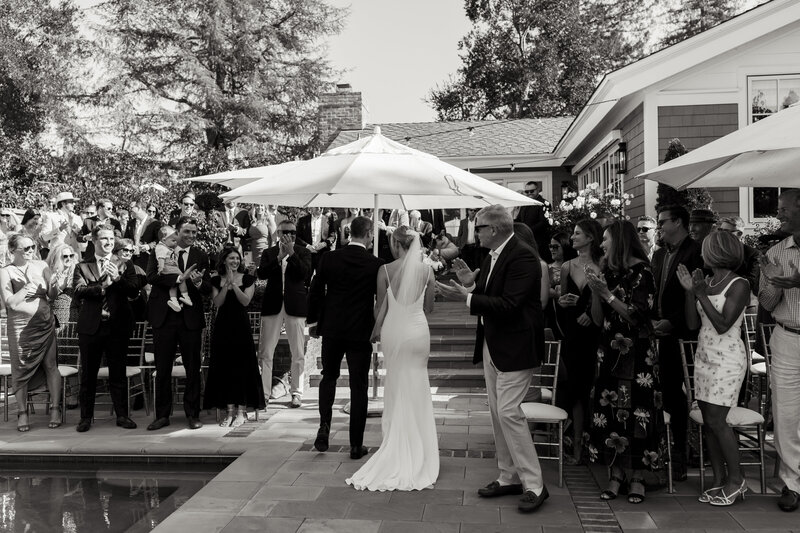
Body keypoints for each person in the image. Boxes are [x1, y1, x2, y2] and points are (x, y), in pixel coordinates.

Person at [437, 204, 548, 514]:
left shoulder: (523, 256)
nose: (477, 233)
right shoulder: (491, 256)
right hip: (492, 343)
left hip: (515, 346)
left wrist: (467, 298)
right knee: (499, 414)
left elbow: (510, 304)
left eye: (480, 227)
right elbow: (488, 293)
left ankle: (535, 484)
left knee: (510, 412)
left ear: (496, 229)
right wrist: (469, 284)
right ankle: (508, 475)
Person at [346, 225, 438, 490]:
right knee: (418, 386)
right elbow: (429, 307)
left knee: (396, 386)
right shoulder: (427, 271)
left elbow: (379, 309)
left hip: (394, 332)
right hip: (418, 332)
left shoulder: (384, 270)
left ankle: (396, 444)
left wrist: (384, 323)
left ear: (397, 245)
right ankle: (421, 447)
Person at [586, 219, 664, 504]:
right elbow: (597, 319)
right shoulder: (608, 272)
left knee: (637, 412)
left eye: (605, 239)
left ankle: (638, 477)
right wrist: (597, 291)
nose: (602, 244)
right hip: (608, 352)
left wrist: (606, 293)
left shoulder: (643, 272)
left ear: (619, 240)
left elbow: (636, 315)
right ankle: (616, 474)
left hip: (638, 355)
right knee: (610, 412)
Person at [676, 230, 750, 506]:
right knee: (709, 423)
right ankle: (719, 480)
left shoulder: (739, 284)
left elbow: (723, 324)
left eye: (706, 249)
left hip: (727, 358)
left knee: (718, 421)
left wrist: (700, 294)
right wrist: (690, 293)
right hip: (704, 356)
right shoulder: (706, 281)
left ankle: (737, 479)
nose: (702, 254)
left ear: (718, 252)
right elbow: (693, 324)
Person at [308, 216, 384, 460]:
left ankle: (324, 427)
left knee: (328, 377)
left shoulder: (329, 258)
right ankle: (355, 445)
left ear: (350, 233)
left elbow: (316, 290)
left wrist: (314, 322)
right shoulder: (375, 264)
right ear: (368, 234)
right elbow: (379, 300)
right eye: (372, 234)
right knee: (358, 386)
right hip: (360, 331)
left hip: (332, 328)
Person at [651, 204, 704, 481]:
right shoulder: (659, 254)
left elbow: (694, 294)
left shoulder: (695, 252)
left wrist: (672, 321)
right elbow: (655, 290)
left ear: (679, 222)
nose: (659, 226)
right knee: (660, 391)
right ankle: (663, 448)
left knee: (675, 392)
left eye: (663, 221)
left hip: (683, 332)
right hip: (657, 329)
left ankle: (682, 453)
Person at [146, 216, 211, 431]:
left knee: (192, 368)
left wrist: (199, 282)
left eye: (194, 232)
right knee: (162, 368)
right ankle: (162, 415)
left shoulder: (201, 255)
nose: (191, 236)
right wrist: (177, 279)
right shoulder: (160, 249)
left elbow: (207, 287)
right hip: (164, 316)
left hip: (190, 318)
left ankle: (192, 414)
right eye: (187, 232)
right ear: (177, 232)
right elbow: (151, 277)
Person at [72, 226, 139, 432]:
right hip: (91, 327)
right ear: (94, 240)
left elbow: (134, 290)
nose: (109, 242)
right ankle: (85, 418)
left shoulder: (125, 265)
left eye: (111, 238)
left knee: (117, 373)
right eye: (104, 238)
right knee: (88, 374)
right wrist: (102, 287)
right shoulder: (83, 266)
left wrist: (117, 279)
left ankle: (122, 415)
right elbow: (78, 290)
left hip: (117, 326)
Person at [758, 188, 800, 513]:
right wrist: (772, 283)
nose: (779, 214)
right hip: (787, 337)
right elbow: (768, 305)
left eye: (784, 208)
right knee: (785, 416)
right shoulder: (775, 253)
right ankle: (792, 483)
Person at [0, 234, 63, 431]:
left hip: (44, 322)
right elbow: (10, 303)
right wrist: (27, 287)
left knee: (51, 365)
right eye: (25, 248)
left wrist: (53, 284)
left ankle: (55, 409)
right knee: (20, 370)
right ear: (12, 251)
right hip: (20, 327)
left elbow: (52, 296)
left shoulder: (41, 265)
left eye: (32, 247)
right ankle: (22, 413)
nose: (30, 251)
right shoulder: (6, 271)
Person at [557, 219, 603, 465]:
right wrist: (562, 302)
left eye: (577, 233)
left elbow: (607, 298)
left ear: (591, 237)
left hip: (595, 334)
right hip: (573, 334)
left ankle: (595, 444)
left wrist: (589, 310)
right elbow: (563, 300)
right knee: (573, 390)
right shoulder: (567, 266)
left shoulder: (603, 264)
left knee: (592, 389)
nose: (572, 237)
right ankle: (575, 446)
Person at [203, 246, 265, 425]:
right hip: (223, 327)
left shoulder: (248, 278)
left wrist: (234, 285)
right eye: (231, 258)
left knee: (242, 367)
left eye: (237, 259)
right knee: (225, 368)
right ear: (224, 260)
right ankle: (229, 411)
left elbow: (245, 301)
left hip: (241, 327)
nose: (235, 261)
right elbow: (218, 302)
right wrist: (226, 285)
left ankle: (242, 411)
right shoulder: (216, 280)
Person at [257, 220, 312, 409]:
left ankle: (296, 393)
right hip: (273, 305)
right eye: (286, 232)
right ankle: (264, 394)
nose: (290, 235)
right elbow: (261, 274)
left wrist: (292, 254)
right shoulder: (269, 253)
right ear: (278, 233)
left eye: (293, 233)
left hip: (295, 305)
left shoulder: (303, 252)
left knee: (298, 352)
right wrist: (279, 258)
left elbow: (305, 274)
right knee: (266, 353)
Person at [718, 216, 761, 295]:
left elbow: (751, 281)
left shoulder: (752, 254)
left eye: (726, 231)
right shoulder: (716, 252)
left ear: (739, 234)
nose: (721, 234)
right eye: (720, 230)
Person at [154, 225, 193, 312]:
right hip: (168, 267)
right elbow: (161, 259)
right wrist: (161, 268)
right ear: (164, 240)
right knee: (182, 279)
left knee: (173, 284)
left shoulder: (166, 247)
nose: (176, 243)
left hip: (169, 267)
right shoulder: (161, 248)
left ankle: (174, 300)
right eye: (173, 240)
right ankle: (185, 296)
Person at [546, 232, 576, 337]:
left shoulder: (574, 266)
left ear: (565, 246)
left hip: (571, 316)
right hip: (551, 317)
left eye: (555, 246)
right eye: (550, 246)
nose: (551, 249)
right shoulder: (546, 268)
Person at [515, 181, 551, 262]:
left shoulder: (544, 203)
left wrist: (527, 230)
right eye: (527, 192)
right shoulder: (525, 204)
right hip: (526, 241)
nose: (529, 193)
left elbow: (544, 223)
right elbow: (519, 219)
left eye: (532, 191)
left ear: (537, 190)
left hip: (539, 242)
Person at [46, 243, 78, 326]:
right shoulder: (50, 274)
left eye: (71, 256)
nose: (69, 258)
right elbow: (46, 298)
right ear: (57, 258)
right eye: (65, 256)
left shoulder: (77, 273)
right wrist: (56, 286)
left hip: (75, 316)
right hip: (57, 316)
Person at [125, 200, 162, 270]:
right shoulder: (130, 223)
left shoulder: (154, 223)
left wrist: (149, 246)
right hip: (132, 259)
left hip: (147, 260)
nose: (130, 210)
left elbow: (160, 240)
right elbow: (126, 239)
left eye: (132, 207)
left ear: (139, 208)